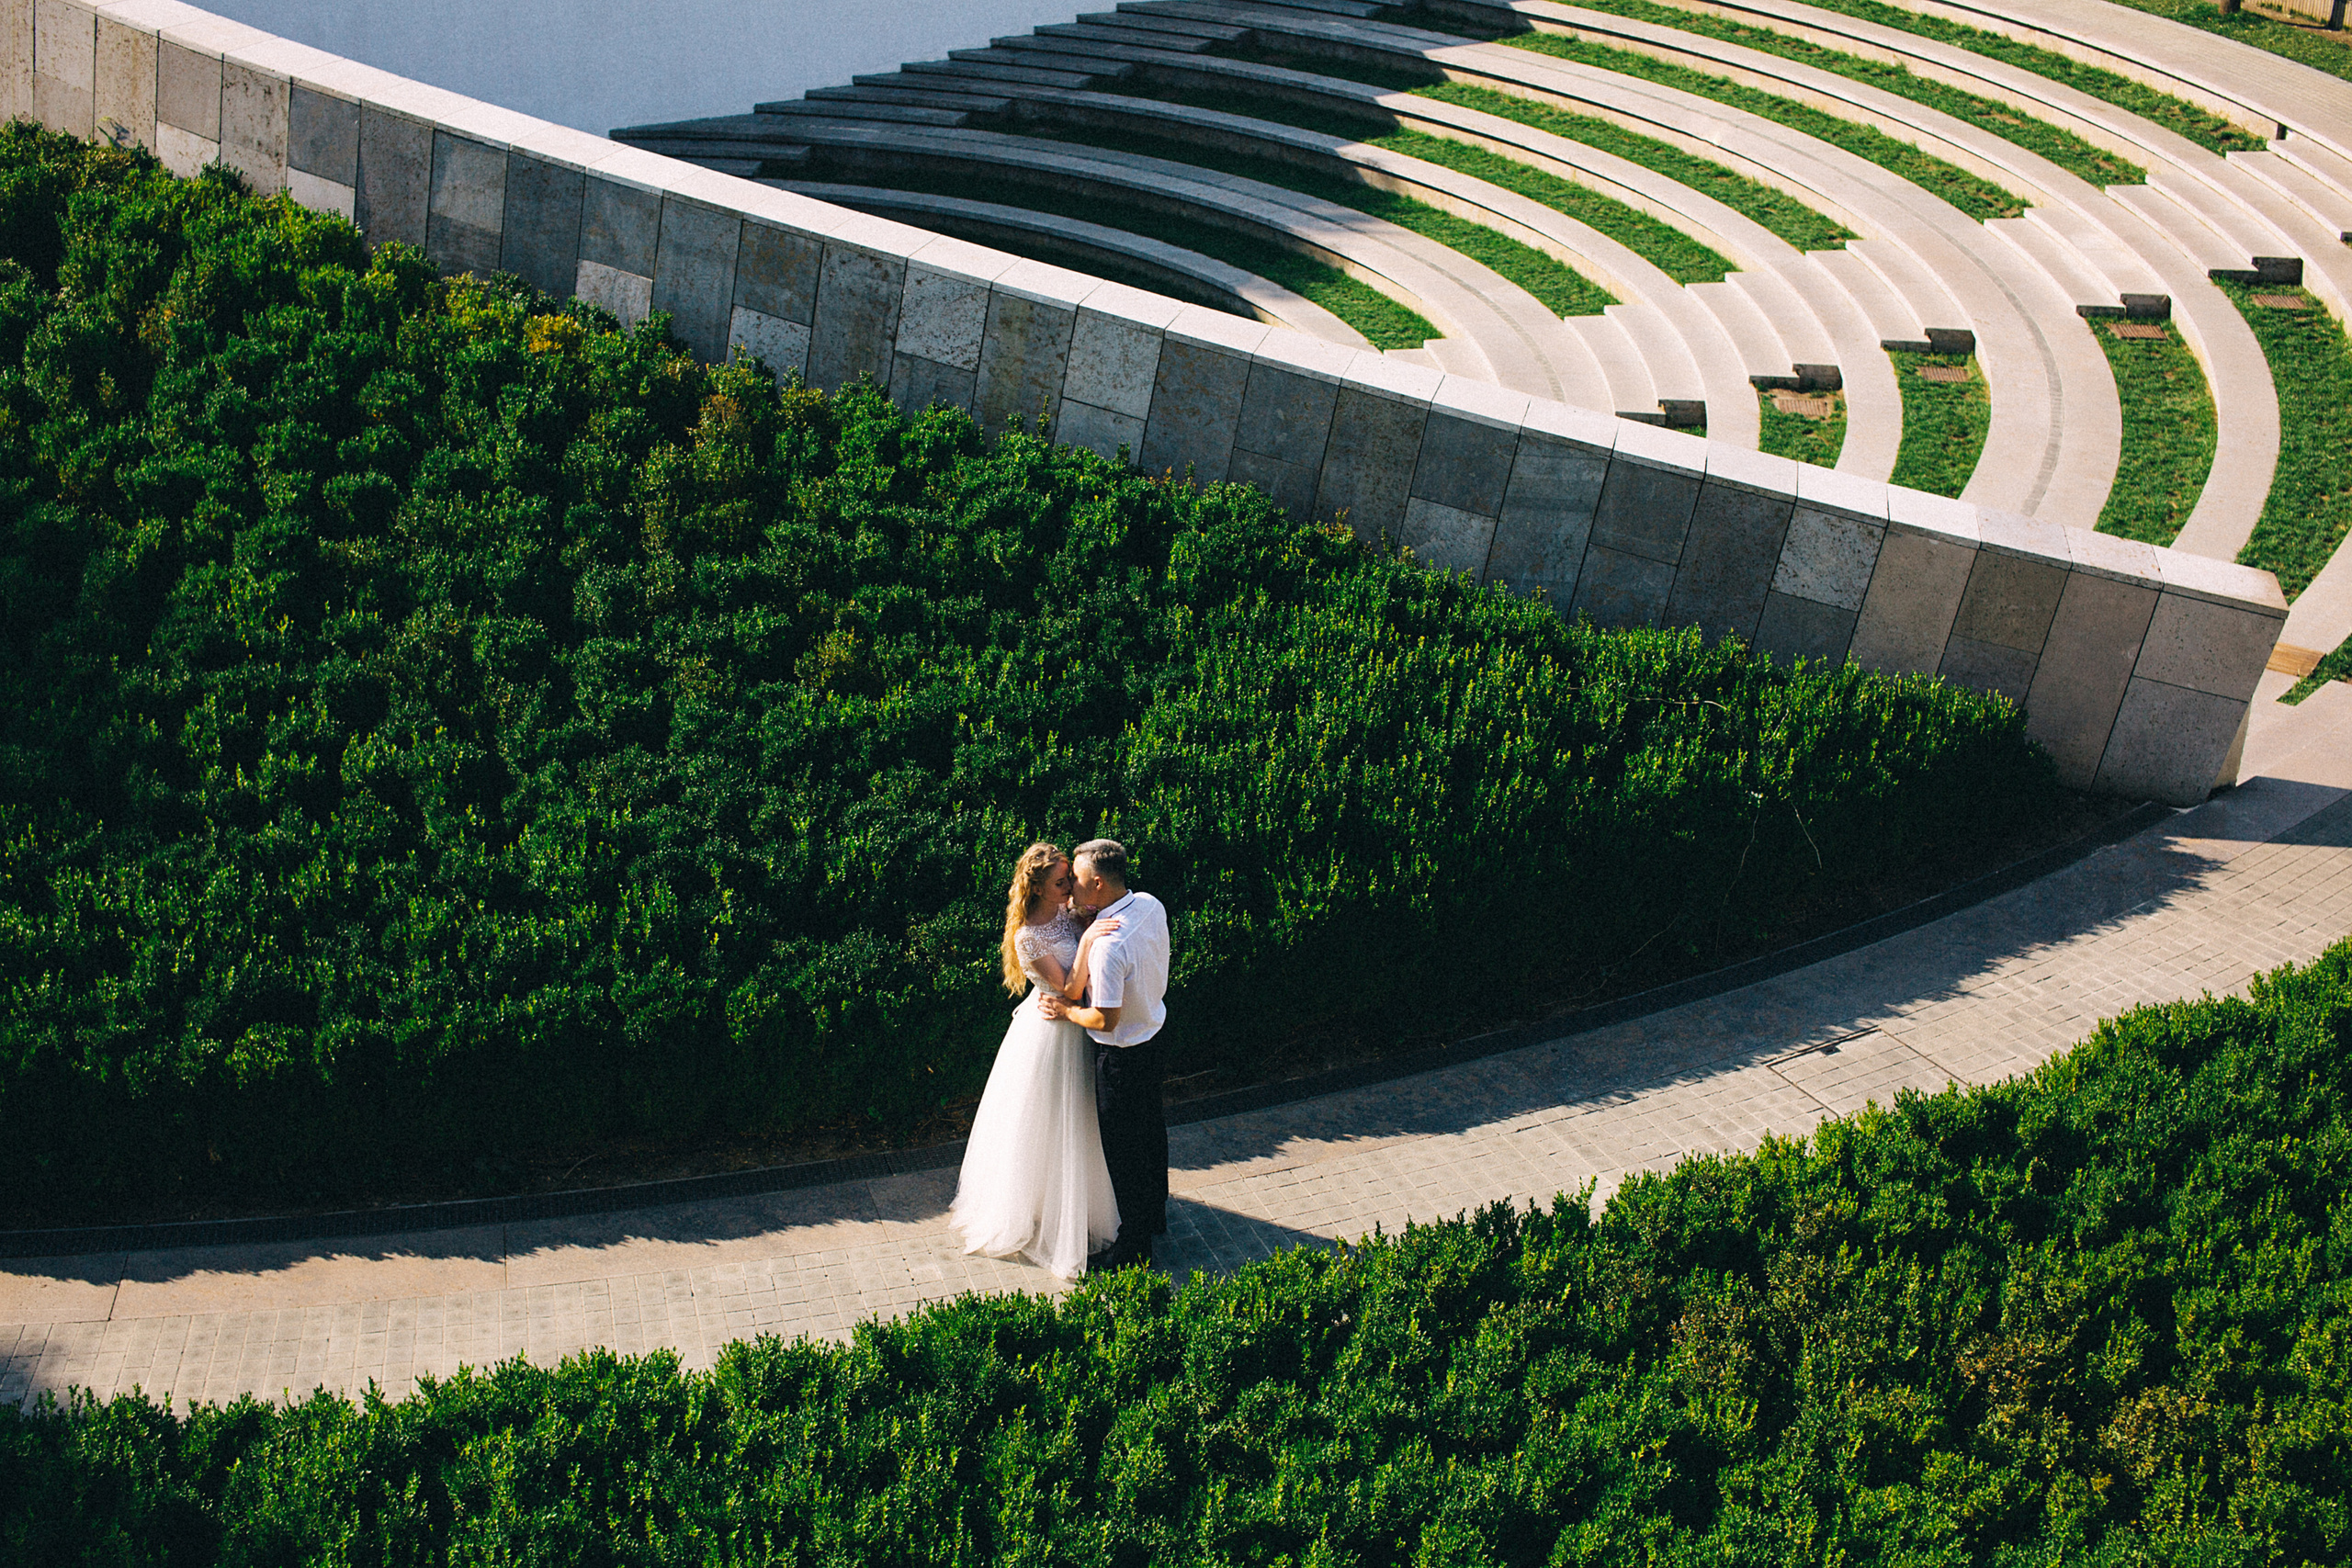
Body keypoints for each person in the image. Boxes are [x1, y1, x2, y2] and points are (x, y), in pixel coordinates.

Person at [945, 842, 1122, 1279]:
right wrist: (1089, 942)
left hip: (1077, 1028)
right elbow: (1068, 989)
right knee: (1046, 1123)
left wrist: (1089, 921)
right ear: (1040, 888)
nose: (1070, 887)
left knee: (1080, 1121)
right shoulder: (1027, 937)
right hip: (1051, 1032)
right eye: (1062, 882)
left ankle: (1080, 1203)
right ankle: (1041, 1209)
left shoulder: (1065, 913)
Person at [1040, 839, 1170, 1271]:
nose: (1071, 889)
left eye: (1075, 881)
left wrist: (1065, 1009)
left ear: (1097, 882)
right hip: (1153, 1040)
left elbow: (1104, 1020)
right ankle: (1154, 1216)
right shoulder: (1150, 905)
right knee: (1152, 1134)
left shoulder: (1108, 946)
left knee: (1123, 1153)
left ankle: (1132, 1248)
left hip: (1121, 1060)